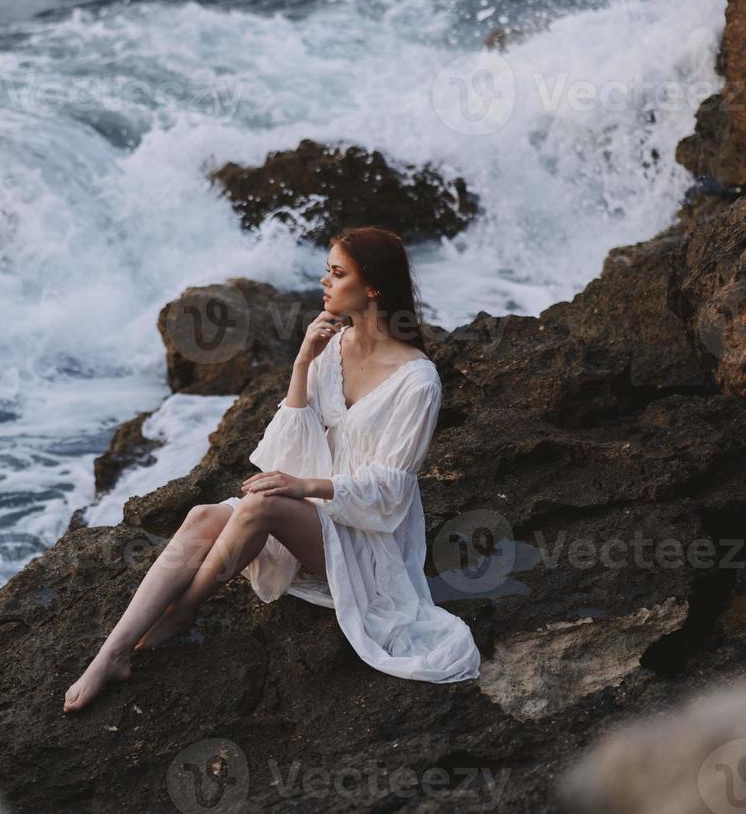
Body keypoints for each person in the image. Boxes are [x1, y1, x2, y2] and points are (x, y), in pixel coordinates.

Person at [63, 226, 482, 713]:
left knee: (260, 508)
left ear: (372, 288)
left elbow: (390, 491)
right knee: (202, 515)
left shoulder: (418, 381)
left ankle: (183, 612)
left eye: (338, 272)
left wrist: (303, 486)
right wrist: (303, 363)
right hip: (316, 522)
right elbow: (288, 447)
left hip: (371, 544)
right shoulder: (332, 347)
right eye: (327, 269)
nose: (324, 281)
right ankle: (110, 653)